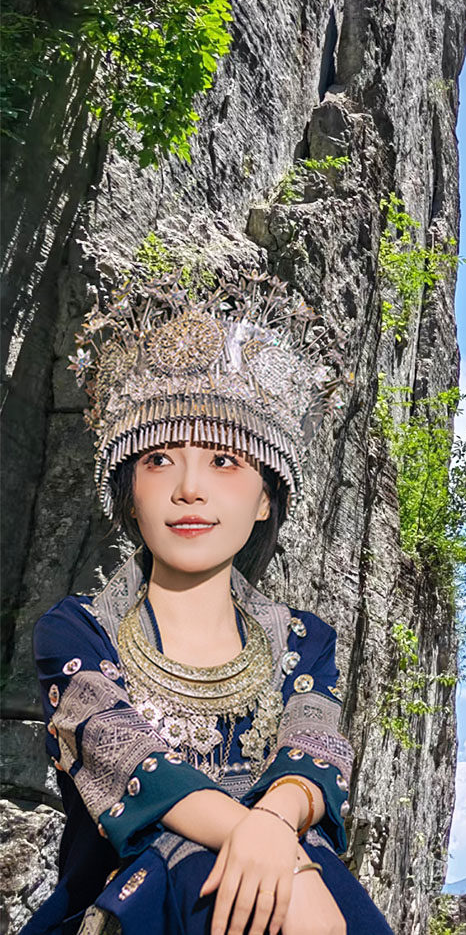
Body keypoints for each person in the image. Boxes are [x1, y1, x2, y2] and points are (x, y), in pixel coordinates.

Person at [24, 270, 391, 935]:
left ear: (264, 498)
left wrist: (276, 826)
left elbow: (315, 753)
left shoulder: (303, 641)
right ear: (128, 494)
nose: (189, 488)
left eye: (224, 460)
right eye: (159, 459)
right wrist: (273, 849)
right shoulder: (78, 630)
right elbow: (130, 761)